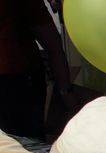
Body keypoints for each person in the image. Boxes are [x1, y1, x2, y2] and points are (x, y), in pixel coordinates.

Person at [0, 0, 78, 140]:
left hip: (17, 82)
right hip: (18, 82)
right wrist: (65, 91)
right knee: (28, 148)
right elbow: (53, 46)